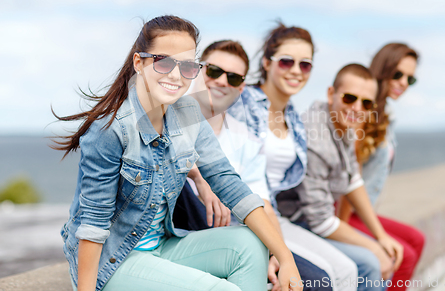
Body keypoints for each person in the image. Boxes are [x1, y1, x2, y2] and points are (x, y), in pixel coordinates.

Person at [52, 15, 302, 291]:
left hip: (161, 247)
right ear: (140, 63)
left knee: (252, 242)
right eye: (163, 61)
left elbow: (230, 184)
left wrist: (285, 255)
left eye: (187, 66)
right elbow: (93, 226)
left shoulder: (188, 114)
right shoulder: (110, 130)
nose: (175, 75)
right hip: (113, 262)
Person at [173, 39, 334, 291]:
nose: (223, 81)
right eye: (214, 71)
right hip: (185, 231)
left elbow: (264, 205)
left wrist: (275, 255)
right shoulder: (169, 117)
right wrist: (198, 178)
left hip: (236, 233)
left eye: (234, 78)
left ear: (241, 88)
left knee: (317, 282)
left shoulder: (245, 139)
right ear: (197, 70)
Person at [229, 23, 359, 291]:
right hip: (245, 218)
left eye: (305, 65)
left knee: (347, 271)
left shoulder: (294, 119)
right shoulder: (243, 104)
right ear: (266, 62)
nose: (296, 71)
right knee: (319, 281)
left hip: (277, 216)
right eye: (286, 62)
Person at [279, 64, 405, 291]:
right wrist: (374, 247)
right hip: (294, 221)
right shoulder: (315, 139)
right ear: (331, 94)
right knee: (370, 263)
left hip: (314, 218)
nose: (357, 108)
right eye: (349, 98)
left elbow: (353, 180)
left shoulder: (343, 123)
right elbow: (320, 220)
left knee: (385, 253)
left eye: (366, 103)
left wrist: (380, 237)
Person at [339, 43, 425, 290]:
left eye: (410, 78)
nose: (403, 83)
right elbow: (349, 177)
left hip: (362, 211)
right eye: (398, 74)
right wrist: (343, 229)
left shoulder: (386, 114)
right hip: (344, 211)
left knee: (416, 240)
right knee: (403, 256)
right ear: (383, 69)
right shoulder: (361, 109)